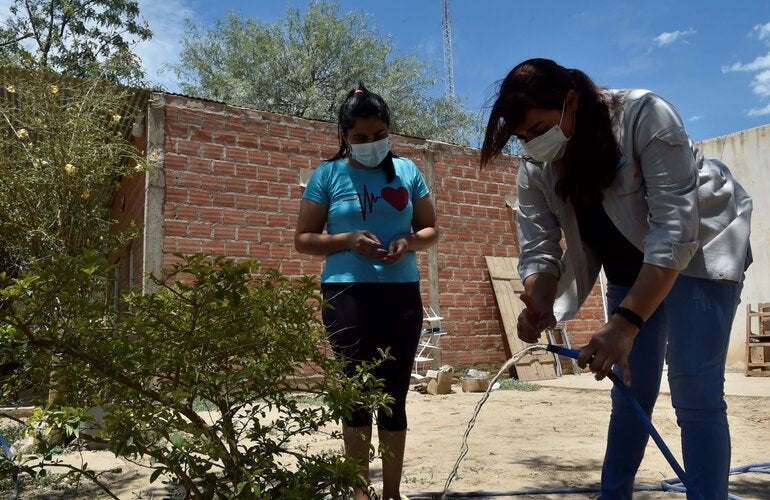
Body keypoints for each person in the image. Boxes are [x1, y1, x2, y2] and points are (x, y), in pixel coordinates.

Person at [480, 58, 752, 499]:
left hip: (700, 252)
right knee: (628, 392)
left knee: (694, 395)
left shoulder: (644, 115)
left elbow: (675, 234)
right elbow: (539, 250)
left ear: (571, 101)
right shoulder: (536, 167)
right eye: (524, 137)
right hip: (630, 267)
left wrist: (625, 324)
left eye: (540, 128)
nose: (533, 143)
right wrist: (539, 303)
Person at [295, 82, 439, 500]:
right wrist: (346, 240)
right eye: (360, 138)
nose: (370, 144)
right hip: (346, 296)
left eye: (379, 136)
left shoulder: (409, 172)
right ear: (343, 136)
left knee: (393, 398)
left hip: (401, 295)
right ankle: (360, 493)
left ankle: (391, 495)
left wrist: (408, 242)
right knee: (357, 398)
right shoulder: (328, 174)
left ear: (389, 131)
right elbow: (303, 240)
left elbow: (431, 230)